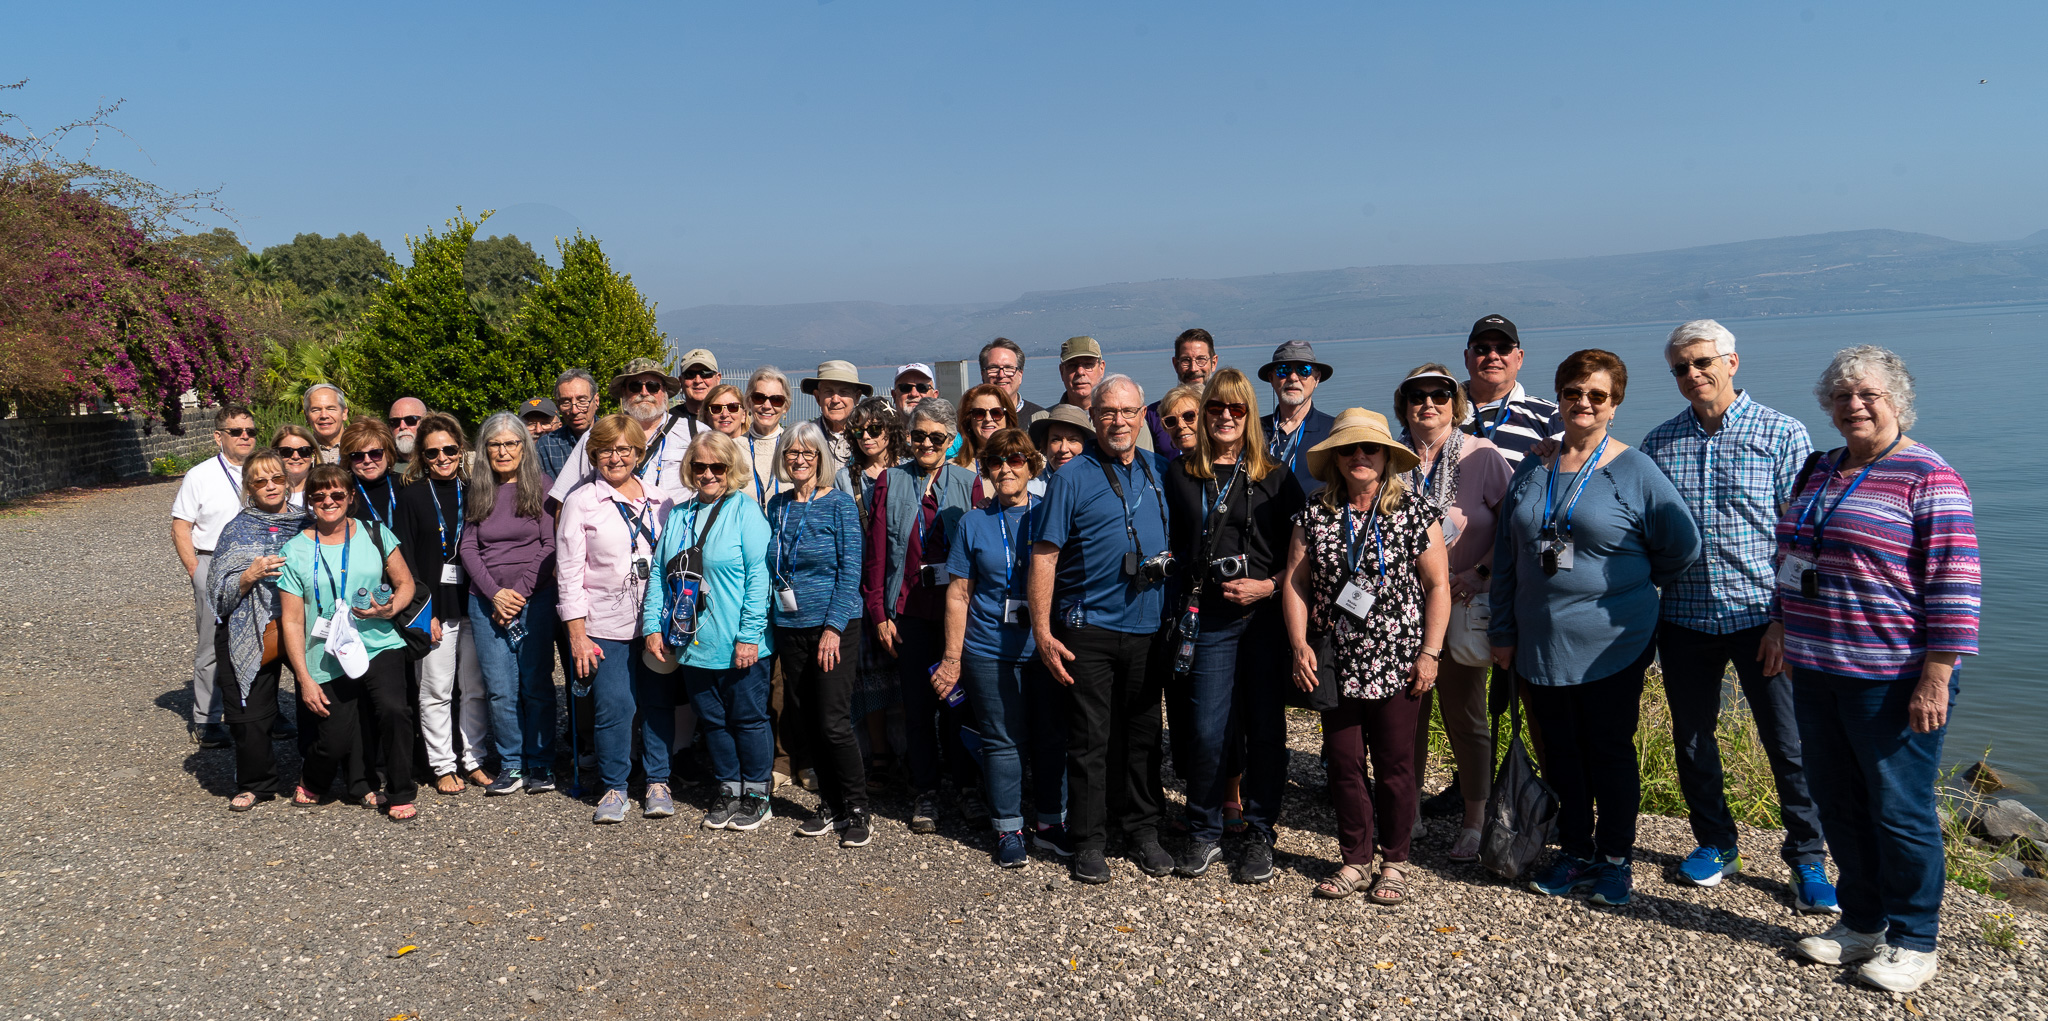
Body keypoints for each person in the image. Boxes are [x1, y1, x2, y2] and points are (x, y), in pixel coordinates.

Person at [1772, 346, 1978, 994]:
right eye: (1841, 395)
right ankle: (1861, 922)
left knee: (1899, 810)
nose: (1853, 405)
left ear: (1897, 401)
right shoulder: (1819, 468)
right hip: (1815, 668)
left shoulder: (1929, 476)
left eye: (1868, 394)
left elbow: (1955, 584)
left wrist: (1937, 676)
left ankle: (1915, 940)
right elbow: (1793, 556)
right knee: (1837, 801)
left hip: (1891, 677)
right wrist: (1781, 623)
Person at [1492, 350, 1702, 909]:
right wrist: (1502, 630)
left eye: (1597, 395)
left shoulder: (1634, 471)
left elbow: (1682, 545)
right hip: (1540, 641)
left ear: (1615, 404)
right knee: (1561, 750)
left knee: (1608, 750)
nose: (1583, 403)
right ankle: (1574, 851)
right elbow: (1508, 554)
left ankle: (1614, 859)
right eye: (1573, 392)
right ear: (1559, 397)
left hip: (1613, 641)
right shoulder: (1533, 467)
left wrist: (1634, 587)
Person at [1638, 320, 1834, 909]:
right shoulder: (1659, 443)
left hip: (1761, 618)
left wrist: (1786, 620)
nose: (1693, 374)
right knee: (1693, 738)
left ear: (1732, 362)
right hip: (1684, 618)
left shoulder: (1782, 433)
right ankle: (1716, 843)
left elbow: (1801, 537)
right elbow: (1643, 530)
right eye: (1681, 367)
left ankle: (1807, 858)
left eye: (1703, 362)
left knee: (1788, 743)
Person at [1283, 409, 1448, 902]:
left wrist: (1431, 653)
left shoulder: (1415, 511)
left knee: (1396, 765)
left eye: (1369, 448)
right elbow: (1295, 581)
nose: (1359, 456)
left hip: (1399, 661)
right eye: (1348, 449)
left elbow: (1438, 585)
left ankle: (1394, 862)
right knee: (1343, 762)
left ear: (1386, 457)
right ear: (1335, 458)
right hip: (1335, 660)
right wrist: (1298, 644)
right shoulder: (1315, 512)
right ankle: (1355, 859)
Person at [1030, 374, 1173, 884]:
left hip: (1148, 627)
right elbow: (1044, 555)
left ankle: (1143, 831)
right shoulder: (1072, 476)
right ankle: (1088, 841)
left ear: (1141, 416)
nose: (1119, 421)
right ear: (1093, 418)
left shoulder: (1159, 469)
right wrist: (1042, 630)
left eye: (1128, 411)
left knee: (1143, 735)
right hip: (1087, 627)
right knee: (1089, 739)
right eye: (1108, 412)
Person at [1163, 368, 1304, 881]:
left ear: (1249, 414)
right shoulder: (1182, 475)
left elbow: (1302, 558)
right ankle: (1204, 831)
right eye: (1216, 408)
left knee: (1265, 729)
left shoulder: (1277, 477)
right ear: (1204, 414)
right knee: (1205, 730)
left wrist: (1267, 587)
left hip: (1263, 620)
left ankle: (1261, 833)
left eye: (1236, 408)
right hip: (1209, 620)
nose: (1226, 416)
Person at [1392, 365, 1513, 864]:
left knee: (1465, 716)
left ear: (1455, 403)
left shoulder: (1483, 455)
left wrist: (1480, 571)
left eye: (1440, 394)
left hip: (1462, 604)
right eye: (1417, 395)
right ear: (1404, 405)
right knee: (1406, 716)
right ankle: (1407, 811)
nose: (1428, 403)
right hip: (1401, 609)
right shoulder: (1390, 457)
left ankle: (1474, 819)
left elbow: (1513, 526)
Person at [936, 428, 1070, 867]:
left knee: (1052, 736)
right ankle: (1008, 828)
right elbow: (959, 594)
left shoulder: (1051, 514)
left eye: (1015, 460)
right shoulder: (973, 523)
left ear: (1032, 465)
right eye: (996, 462)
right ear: (986, 470)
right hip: (988, 648)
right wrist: (952, 658)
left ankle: (1051, 824)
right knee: (1001, 740)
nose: (1006, 469)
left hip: (1045, 647)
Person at [643, 431, 777, 831]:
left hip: (738, 641)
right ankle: (729, 789)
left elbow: (759, 578)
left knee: (748, 718)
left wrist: (749, 635)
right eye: (699, 466)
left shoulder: (745, 511)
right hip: (693, 642)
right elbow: (659, 573)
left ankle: (758, 795)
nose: (708, 474)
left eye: (717, 466)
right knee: (713, 720)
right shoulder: (680, 515)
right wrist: (652, 627)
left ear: (730, 468)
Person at [865, 397, 985, 832]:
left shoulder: (969, 483)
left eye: (937, 437)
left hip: (957, 615)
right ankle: (926, 791)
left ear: (951, 440)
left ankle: (967, 787)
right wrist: (879, 613)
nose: (927, 444)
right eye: (919, 436)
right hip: (908, 613)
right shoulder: (890, 480)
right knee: (917, 708)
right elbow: (876, 553)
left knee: (959, 704)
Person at [277, 464, 421, 819]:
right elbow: (292, 620)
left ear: (351, 497)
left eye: (337, 493)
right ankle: (313, 777)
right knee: (335, 737)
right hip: (325, 651)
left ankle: (401, 792)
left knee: (394, 711)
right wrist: (303, 678)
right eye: (319, 496)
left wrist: (390, 609)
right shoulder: (294, 551)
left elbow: (406, 584)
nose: (329, 501)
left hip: (378, 641)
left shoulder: (375, 532)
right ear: (310, 502)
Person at [557, 413, 676, 824]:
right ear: (593, 455)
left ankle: (658, 781)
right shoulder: (580, 502)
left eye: (624, 449)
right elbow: (568, 572)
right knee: (614, 705)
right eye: (605, 450)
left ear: (638, 453)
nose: (615, 457)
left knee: (657, 702)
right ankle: (615, 787)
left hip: (656, 623)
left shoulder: (661, 501)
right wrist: (577, 635)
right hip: (604, 624)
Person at [765, 422, 871, 846]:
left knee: (833, 722)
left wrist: (833, 628)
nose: (799, 460)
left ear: (820, 458)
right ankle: (830, 804)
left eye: (808, 453)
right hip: (790, 626)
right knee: (806, 718)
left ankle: (857, 808)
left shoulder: (839, 505)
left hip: (834, 627)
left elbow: (851, 571)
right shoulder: (777, 506)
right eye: (792, 452)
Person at [461, 413, 560, 796]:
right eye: (494, 444)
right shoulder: (480, 489)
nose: (502, 451)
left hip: (534, 599)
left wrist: (517, 593)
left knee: (536, 683)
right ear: (485, 449)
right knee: (500, 688)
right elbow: (469, 548)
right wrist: (495, 594)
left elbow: (549, 546)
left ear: (524, 446)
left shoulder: (542, 486)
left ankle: (541, 762)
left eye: (510, 443)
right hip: (486, 602)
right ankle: (512, 764)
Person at [395, 414, 493, 796]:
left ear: (460, 449)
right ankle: (442, 765)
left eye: (449, 450)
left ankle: (474, 759)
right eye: (432, 452)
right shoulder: (412, 496)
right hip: (434, 607)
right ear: (422, 455)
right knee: (436, 690)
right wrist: (423, 611)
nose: (442, 458)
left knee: (475, 688)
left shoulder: (476, 491)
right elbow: (404, 558)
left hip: (474, 603)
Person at [205, 449, 306, 809]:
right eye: (260, 481)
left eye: (277, 478)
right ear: (249, 487)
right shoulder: (236, 530)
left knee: (323, 698)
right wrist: (248, 576)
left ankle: (316, 775)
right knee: (248, 714)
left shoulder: (308, 523)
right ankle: (256, 783)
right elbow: (217, 596)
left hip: (303, 624)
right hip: (250, 627)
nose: (270, 486)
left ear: (288, 481)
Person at [171, 404, 258, 748]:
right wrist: (196, 571)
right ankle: (207, 718)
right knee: (211, 644)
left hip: (258, 563)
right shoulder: (200, 475)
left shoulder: (265, 469)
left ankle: (259, 710)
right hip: (213, 563)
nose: (245, 437)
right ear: (218, 437)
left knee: (262, 639)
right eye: (236, 432)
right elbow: (181, 526)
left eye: (250, 431)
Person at [549, 357, 701, 506]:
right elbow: (564, 499)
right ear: (623, 392)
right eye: (635, 386)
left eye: (653, 386)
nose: (644, 392)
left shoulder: (695, 433)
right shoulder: (597, 434)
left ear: (664, 390)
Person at [1460, 314, 1559, 464]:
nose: (1493, 356)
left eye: (1503, 348)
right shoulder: (1438, 409)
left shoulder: (1550, 417)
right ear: (1467, 358)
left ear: (1519, 358)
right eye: (1482, 349)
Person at [1258, 341, 1336, 495]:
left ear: (1317, 379)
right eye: (1283, 370)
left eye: (1303, 370)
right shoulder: (1252, 429)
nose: (1293, 377)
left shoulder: (1334, 431)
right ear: (1271, 378)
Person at [800, 360, 872, 497]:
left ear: (857, 397)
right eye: (828, 392)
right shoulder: (805, 437)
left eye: (843, 392)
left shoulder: (869, 436)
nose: (835, 399)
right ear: (817, 397)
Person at [1146, 328, 1215, 451]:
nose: (1193, 368)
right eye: (1185, 361)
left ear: (1213, 363)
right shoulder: (1153, 415)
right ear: (1175, 364)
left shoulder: (1225, 412)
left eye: (1201, 360)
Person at [535, 368, 598, 482]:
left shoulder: (616, 437)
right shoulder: (547, 446)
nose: (574, 410)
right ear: (558, 406)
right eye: (566, 402)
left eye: (582, 401)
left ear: (596, 401)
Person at [742, 366, 792, 505]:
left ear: (786, 406)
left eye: (776, 400)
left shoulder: (795, 447)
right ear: (749, 402)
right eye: (759, 398)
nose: (767, 406)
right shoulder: (732, 448)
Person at [341, 418, 401, 531]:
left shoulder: (406, 486)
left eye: (375, 453)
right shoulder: (342, 494)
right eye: (357, 456)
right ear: (349, 460)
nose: (367, 460)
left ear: (388, 454)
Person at [954, 384, 1020, 471]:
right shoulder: (954, 469)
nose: (988, 419)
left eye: (996, 412)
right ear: (969, 421)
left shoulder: (1027, 463)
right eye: (979, 413)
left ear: (1008, 418)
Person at [978, 337, 1046, 420]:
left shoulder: (1041, 419)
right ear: (982, 374)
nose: (1001, 375)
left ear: (1020, 375)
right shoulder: (967, 419)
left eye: (1008, 368)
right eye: (994, 368)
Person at [1028, 404, 1094, 475]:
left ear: (1086, 446)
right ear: (1045, 446)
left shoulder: (1100, 480)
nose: (1063, 449)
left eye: (1073, 440)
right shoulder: (1031, 482)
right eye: (1056, 440)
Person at [271, 424, 318, 509]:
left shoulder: (325, 490)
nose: (296, 457)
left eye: (304, 451)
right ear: (275, 454)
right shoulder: (267, 491)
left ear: (313, 455)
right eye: (286, 452)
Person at [1152, 384, 1202, 458]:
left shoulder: (1219, 461)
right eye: (1171, 421)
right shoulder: (1174, 465)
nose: (1180, 425)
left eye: (1189, 416)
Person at [304, 383, 347, 464]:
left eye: (331, 409)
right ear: (307, 416)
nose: (324, 415)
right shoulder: (301, 453)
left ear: (344, 413)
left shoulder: (360, 446)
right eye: (316, 410)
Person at [675, 348, 722, 420]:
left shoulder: (728, 419)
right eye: (690, 374)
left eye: (705, 374)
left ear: (718, 378)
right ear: (681, 381)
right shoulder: (667, 421)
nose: (697, 381)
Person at [387, 396, 427, 467]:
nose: (402, 426)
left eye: (410, 420)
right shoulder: (381, 465)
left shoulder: (440, 461)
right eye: (395, 422)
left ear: (425, 422)